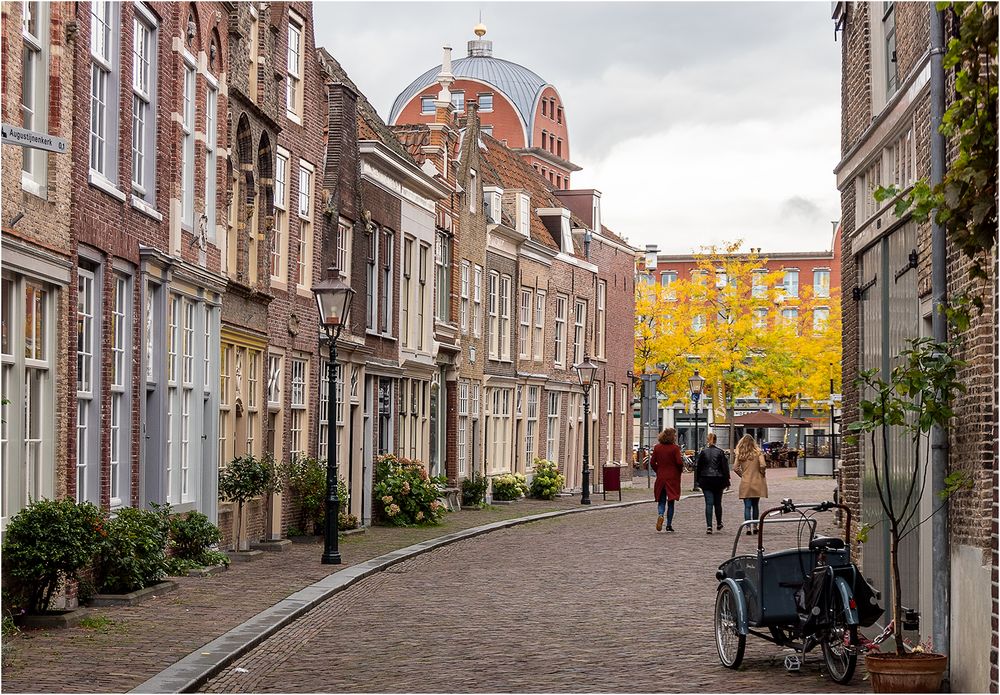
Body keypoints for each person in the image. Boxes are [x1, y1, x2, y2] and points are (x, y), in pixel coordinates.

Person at [695, 432, 730, 534]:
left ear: (707, 440)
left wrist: (698, 481)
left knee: (709, 503)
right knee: (718, 503)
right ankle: (719, 522)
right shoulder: (720, 452)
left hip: (706, 479)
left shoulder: (703, 452)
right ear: (716, 440)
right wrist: (727, 481)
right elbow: (724, 468)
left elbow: (699, 467)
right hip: (718, 479)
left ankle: (709, 526)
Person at [732, 434, 768, 535]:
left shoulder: (740, 454)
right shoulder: (758, 452)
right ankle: (755, 526)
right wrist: (762, 472)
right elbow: (763, 464)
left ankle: (748, 527)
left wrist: (742, 475)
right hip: (757, 481)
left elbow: (735, 468)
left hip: (746, 482)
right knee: (755, 505)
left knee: (747, 506)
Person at [650, 428, 684, 532]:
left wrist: (658, 470)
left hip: (661, 477)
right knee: (671, 501)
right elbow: (679, 462)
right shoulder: (675, 448)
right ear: (671, 437)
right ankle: (669, 525)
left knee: (661, 500)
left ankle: (660, 515)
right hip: (672, 478)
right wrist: (679, 470)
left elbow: (652, 462)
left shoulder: (657, 448)